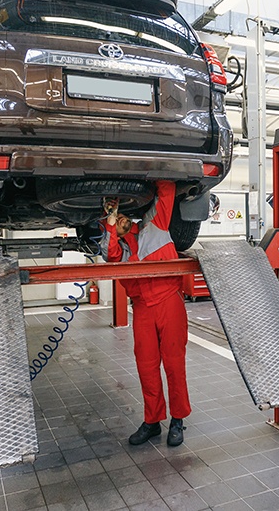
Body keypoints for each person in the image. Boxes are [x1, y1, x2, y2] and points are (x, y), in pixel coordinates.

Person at [101, 180, 190, 447]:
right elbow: (108, 253)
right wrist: (110, 220)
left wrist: (154, 167)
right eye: (117, 220)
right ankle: (152, 421)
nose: (121, 220)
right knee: (146, 366)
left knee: (174, 364)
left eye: (123, 216)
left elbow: (167, 192)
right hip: (142, 308)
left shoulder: (155, 225)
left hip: (169, 301)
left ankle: (177, 420)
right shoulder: (121, 251)